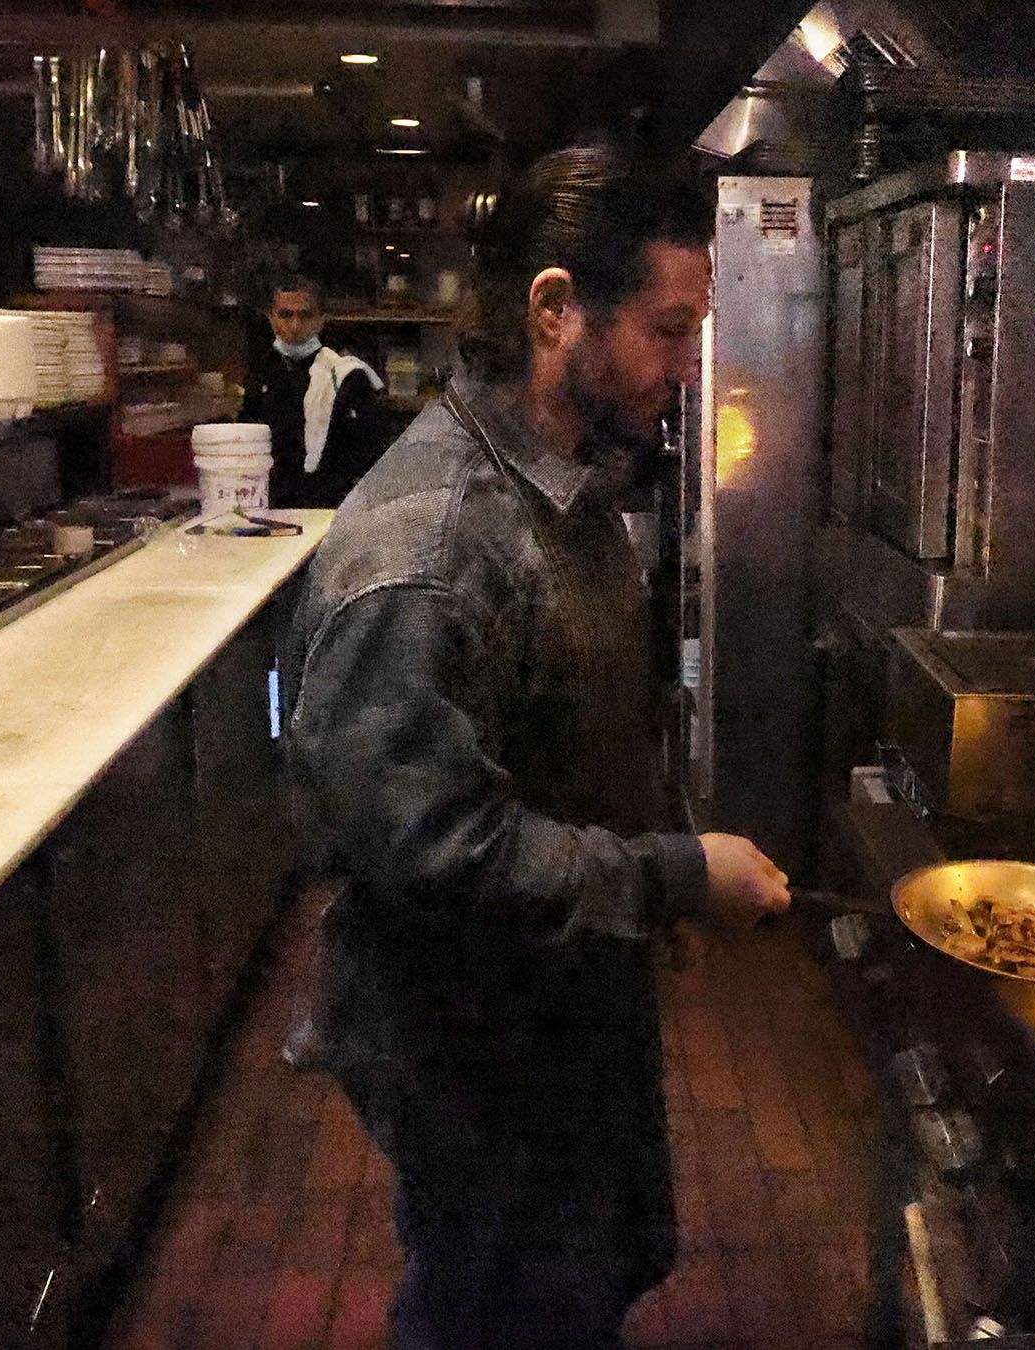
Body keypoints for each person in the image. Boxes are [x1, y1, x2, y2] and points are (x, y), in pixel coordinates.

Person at [279, 147, 791, 1349]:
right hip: (471, 1045)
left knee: (573, 1285)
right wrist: (672, 875)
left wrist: (649, 889)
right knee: (495, 1308)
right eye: (668, 331)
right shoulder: (430, 550)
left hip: (550, 1003)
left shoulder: (557, 478)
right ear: (556, 309)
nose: (685, 367)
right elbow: (435, 853)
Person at [241, 278, 387, 508]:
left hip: (327, 502)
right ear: (271, 318)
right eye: (286, 315)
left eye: (305, 315)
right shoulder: (260, 373)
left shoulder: (346, 376)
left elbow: (366, 452)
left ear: (321, 321)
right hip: (268, 500)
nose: (295, 325)